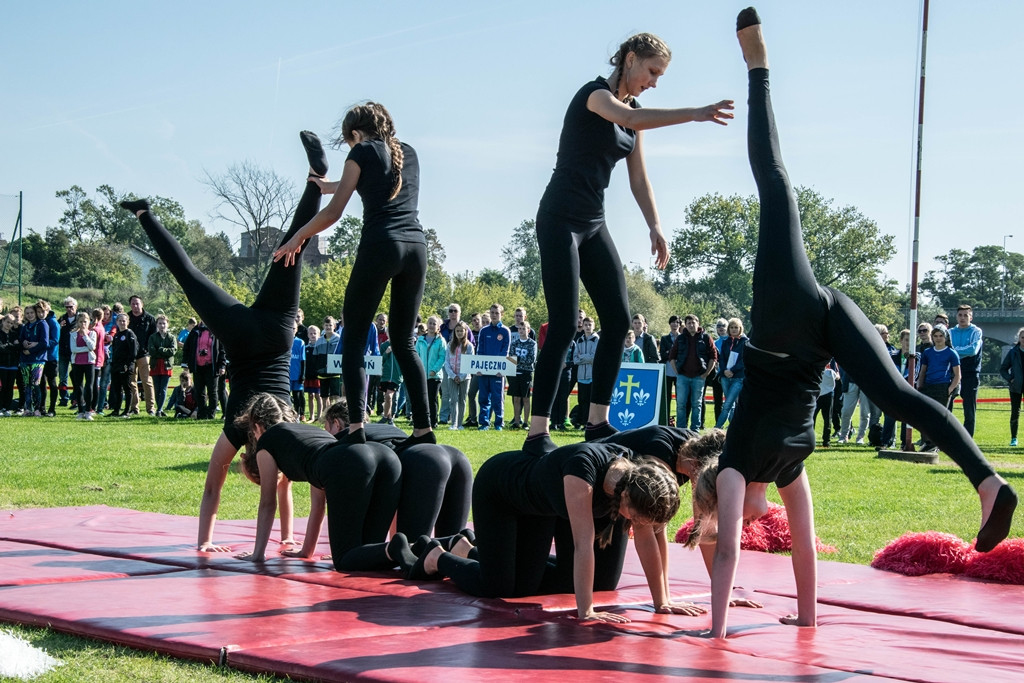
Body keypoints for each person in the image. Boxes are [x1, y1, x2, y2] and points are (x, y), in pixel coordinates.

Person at [689, 9, 1016, 640]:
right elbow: (805, 551)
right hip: (823, 331)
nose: (755, 525)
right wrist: (805, 619)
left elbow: (725, 553)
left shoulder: (732, 466)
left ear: (719, 498)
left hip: (783, 322)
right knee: (894, 394)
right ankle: (989, 484)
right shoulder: (789, 470)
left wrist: (717, 629)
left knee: (775, 185)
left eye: (735, 518)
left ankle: (758, 67)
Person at [524, 33, 733, 456]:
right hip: (560, 218)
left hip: (594, 222)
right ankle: (537, 432)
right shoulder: (595, 96)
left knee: (618, 321)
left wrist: (655, 224)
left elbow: (639, 177)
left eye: (661, 76)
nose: (654, 82)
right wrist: (695, 113)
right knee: (562, 324)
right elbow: (631, 120)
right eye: (652, 71)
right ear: (630, 59)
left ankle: (597, 422)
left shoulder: (632, 114)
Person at [121, 129, 329, 551]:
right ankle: (145, 214)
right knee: (189, 278)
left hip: (277, 332)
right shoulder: (239, 432)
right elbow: (212, 492)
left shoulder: (285, 432)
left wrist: (289, 539)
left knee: (296, 244)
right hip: (239, 337)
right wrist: (204, 542)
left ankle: (315, 178)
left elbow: (282, 491)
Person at [275, 103, 433, 452]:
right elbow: (372, 185)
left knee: (354, 340)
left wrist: (296, 238)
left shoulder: (361, 150)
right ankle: (424, 429)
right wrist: (325, 184)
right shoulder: (408, 153)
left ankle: (357, 428)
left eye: (347, 142)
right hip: (416, 248)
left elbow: (334, 213)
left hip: (381, 245)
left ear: (356, 134)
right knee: (405, 343)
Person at [411, 442, 691, 625]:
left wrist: (662, 603)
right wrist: (587, 612)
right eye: (639, 518)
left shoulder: (635, 478)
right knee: (499, 587)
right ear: (627, 496)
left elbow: (645, 539)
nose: (639, 525)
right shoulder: (583, 474)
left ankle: (468, 550)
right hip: (499, 491)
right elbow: (584, 545)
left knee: (525, 589)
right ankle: (438, 556)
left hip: (538, 510)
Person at [234, 393, 402, 571]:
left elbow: (268, 502)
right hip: (387, 458)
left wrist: (257, 555)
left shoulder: (267, 442)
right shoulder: (308, 434)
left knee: (345, 560)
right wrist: (306, 551)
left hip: (350, 461)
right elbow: (318, 505)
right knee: (368, 555)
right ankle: (411, 548)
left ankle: (397, 548)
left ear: (257, 427)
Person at [322, 400, 471, 540]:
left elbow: (355, 508)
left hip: (427, 464)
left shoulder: (346, 443)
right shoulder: (384, 428)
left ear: (336, 424)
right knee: (453, 548)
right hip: (456, 458)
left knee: (416, 556)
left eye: (326, 428)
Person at [476, 304, 511, 431]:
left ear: (502, 314)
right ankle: (484, 423)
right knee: (483, 397)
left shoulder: (505, 331)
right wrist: (479, 367)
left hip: (498, 372)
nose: (494, 315)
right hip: (484, 371)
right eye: (492, 312)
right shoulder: (484, 331)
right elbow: (480, 350)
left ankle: (498, 423)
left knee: (497, 397)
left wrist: (500, 368)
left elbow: (505, 351)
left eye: (496, 312)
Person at [949, 305, 983, 437]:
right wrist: (961, 352)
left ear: (971, 317)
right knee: (947, 405)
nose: (962, 318)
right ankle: (947, 436)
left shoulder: (976, 331)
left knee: (969, 409)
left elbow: (973, 350)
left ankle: (968, 439)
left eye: (965, 315)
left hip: (970, 373)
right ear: (956, 317)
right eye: (960, 315)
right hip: (952, 372)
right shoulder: (950, 332)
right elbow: (947, 349)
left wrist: (955, 351)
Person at [183, 319, 225, 420]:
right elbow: (187, 347)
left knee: (212, 392)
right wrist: (185, 362)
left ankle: (211, 414)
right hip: (198, 366)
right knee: (199, 391)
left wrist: (222, 365)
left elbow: (222, 350)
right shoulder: (195, 331)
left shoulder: (216, 330)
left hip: (211, 366)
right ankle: (201, 414)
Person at [127, 295, 157, 415]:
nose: (135, 306)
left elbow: (153, 337)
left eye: (137, 303)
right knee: (131, 382)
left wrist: (149, 351)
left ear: (142, 304)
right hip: (130, 355)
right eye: (133, 304)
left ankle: (151, 408)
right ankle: (134, 408)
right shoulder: (126, 318)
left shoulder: (150, 319)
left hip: (144, 354)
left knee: (147, 381)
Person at [715, 318, 748, 429]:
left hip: (738, 377)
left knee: (727, 405)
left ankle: (717, 427)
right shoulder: (726, 342)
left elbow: (743, 360)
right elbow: (722, 358)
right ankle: (733, 428)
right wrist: (724, 370)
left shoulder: (745, 342)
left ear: (740, 329)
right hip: (725, 377)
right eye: (732, 327)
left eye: (736, 328)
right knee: (731, 405)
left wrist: (732, 371)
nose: (734, 330)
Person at [442, 320, 473, 430]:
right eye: (457, 331)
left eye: (462, 331)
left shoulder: (469, 346)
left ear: (465, 331)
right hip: (452, 376)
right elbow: (446, 361)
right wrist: (453, 375)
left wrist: (461, 376)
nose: (459, 333)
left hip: (465, 377)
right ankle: (453, 423)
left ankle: (460, 424)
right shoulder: (450, 344)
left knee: (462, 400)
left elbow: (470, 363)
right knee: (453, 399)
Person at [18, 303, 49, 415]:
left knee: (36, 383)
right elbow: (20, 340)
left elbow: (44, 343)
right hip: (25, 360)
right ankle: (28, 409)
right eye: (27, 313)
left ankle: (37, 409)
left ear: (35, 313)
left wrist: (31, 350)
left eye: (32, 313)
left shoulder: (42, 324)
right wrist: (23, 343)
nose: (30, 315)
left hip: (38, 359)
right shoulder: (25, 326)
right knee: (27, 385)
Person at [415, 316, 445, 429]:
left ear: (438, 326)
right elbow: (416, 355)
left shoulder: (440, 340)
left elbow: (442, 358)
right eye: (430, 323)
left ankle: (433, 421)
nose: (431, 325)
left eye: (434, 324)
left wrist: (434, 370)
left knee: (432, 399)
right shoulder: (420, 339)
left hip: (435, 376)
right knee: (422, 399)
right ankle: (422, 421)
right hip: (422, 374)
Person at [106, 313, 138, 418]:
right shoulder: (117, 335)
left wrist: (128, 365)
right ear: (117, 322)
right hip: (116, 365)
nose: (122, 323)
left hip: (126, 366)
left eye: (124, 321)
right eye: (120, 321)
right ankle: (116, 410)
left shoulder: (130, 334)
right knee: (117, 388)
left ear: (128, 322)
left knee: (127, 388)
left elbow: (133, 352)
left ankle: (126, 411)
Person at [508, 321, 537, 429]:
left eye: (523, 329)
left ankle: (525, 422)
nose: (521, 331)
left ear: (528, 330)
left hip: (526, 373)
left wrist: (518, 359)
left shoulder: (532, 343)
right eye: (520, 329)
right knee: (516, 398)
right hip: (515, 373)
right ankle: (516, 421)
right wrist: (517, 360)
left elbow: (531, 359)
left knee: (525, 398)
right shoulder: (514, 343)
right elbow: (511, 358)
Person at [68, 312, 98, 420]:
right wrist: (86, 348)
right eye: (80, 322)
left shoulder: (92, 334)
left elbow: (92, 346)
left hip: (89, 363)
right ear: (78, 322)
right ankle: (80, 410)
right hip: (77, 363)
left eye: (85, 322)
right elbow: (73, 349)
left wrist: (85, 336)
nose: (83, 324)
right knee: (78, 387)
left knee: (89, 386)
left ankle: (88, 410)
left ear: (88, 322)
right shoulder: (73, 334)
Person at [148, 314, 177, 417]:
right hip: (155, 364)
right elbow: (151, 350)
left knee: (163, 388)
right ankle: (159, 408)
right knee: (157, 388)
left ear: (167, 324)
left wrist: (161, 349)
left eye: (164, 323)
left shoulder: (171, 337)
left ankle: (159, 409)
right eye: (160, 323)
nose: (162, 325)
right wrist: (163, 351)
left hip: (166, 365)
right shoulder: (152, 337)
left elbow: (173, 351)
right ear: (157, 324)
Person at [572, 317, 599, 426]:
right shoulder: (579, 340)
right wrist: (585, 358)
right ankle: (582, 422)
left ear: (594, 326)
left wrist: (582, 357)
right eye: (586, 325)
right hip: (581, 376)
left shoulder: (596, 339)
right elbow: (575, 359)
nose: (587, 327)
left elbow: (594, 357)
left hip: (591, 375)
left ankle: (590, 422)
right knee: (582, 400)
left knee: (590, 401)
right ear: (582, 326)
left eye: (590, 325)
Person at [1000, 327, 1024, 447]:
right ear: (1019, 338)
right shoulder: (1013, 352)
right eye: (1022, 337)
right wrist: (1010, 379)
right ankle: (1014, 438)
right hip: (1016, 387)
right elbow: (1003, 369)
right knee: (1015, 412)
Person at [314, 316, 343, 407]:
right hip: (322, 371)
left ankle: (337, 412)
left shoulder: (339, 339)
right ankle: (326, 414)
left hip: (335, 372)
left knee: (335, 395)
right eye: (326, 325)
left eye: (330, 325)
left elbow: (342, 355)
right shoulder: (319, 341)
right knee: (324, 396)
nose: (328, 327)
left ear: (334, 326)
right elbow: (315, 356)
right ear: (323, 326)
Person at [303, 325, 323, 423]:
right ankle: (311, 416)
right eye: (311, 333)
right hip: (308, 375)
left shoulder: (320, 347)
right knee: (310, 395)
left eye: (315, 333)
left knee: (318, 396)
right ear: (308, 335)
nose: (313, 335)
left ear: (319, 335)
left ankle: (319, 416)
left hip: (317, 375)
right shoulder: (305, 348)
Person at [0, 314, 19, 415]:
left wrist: (8, 347)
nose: (9, 325)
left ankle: (7, 408)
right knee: (2, 387)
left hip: (12, 365)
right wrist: (11, 346)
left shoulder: (14, 334)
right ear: (3, 321)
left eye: (11, 323)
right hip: (2, 364)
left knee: (10, 387)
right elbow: (1, 348)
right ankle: (1, 407)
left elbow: (18, 348)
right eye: (7, 322)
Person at [289, 320, 306, 421]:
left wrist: (302, 375)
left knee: (298, 396)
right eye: (290, 328)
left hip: (297, 374)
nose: (292, 330)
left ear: (296, 329)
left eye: (294, 328)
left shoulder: (300, 342)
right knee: (287, 396)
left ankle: (299, 415)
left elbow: (303, 360)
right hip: (287, 374)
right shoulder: (284, 340)